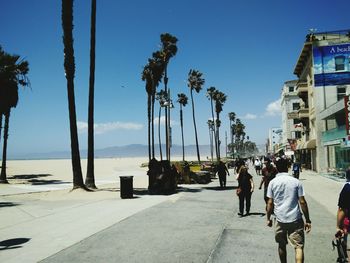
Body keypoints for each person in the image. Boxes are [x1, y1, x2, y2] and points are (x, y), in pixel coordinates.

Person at [266, 157, 311, 263]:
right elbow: (302, 202)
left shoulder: (272, 183)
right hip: (295, 218)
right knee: (298, 247)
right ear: (288, 167)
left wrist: (268, 218)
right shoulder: (296, 182)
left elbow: (270, 203)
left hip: (279, 218)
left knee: (281, 245)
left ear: (276, 168)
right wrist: (308, 220)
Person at [335, 168, 350, 260]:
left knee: (344, 238)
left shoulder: (347, 188)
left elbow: (342, 209)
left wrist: (338, 226)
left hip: (348, 220)